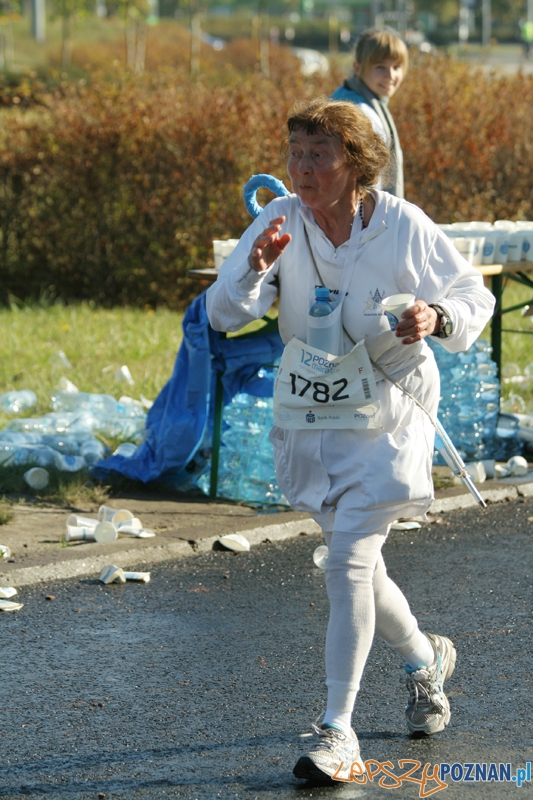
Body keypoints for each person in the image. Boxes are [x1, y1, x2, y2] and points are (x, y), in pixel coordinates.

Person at [206, 97, 494, 783]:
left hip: (392, 404)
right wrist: (254, 269)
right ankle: (425, 659)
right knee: (353, 560)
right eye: (295, 153)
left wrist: (436, 313)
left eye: (319, 154)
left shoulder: (401, 224)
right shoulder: (277, 222)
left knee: (347, 562)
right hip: (314, 406)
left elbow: (471, 295)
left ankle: (338, 731)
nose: (302, 170)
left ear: (355, 162)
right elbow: (219, 314)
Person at [331, 28, 408, 198]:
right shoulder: (362, 114)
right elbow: (370, 183)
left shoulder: (341, 95)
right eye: (380, 67)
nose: (390, 75)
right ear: (357, 68)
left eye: (396, 67)